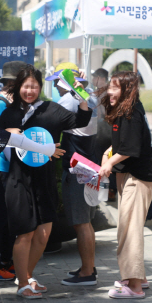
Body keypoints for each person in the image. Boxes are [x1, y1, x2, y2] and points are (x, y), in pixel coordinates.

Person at [0, 65, 92, 299]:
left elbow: (81, 120)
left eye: (34, 86)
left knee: (43, 233)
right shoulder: (10, 112)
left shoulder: (51, 110)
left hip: (45, 179)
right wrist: (7, 133)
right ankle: (22, 285)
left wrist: (82, 97)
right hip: (18, 179)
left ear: (40, 88)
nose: (30, 91)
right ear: (19, 87)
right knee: (25, 233)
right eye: (26, 86)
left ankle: (26, 276)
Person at [98, 71, 152, 299]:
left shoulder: (131, 113)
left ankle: (134, 288)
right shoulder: (126, 111)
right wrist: (108, 157)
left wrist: (109, 162)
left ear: (127, 90)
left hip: (137, 178)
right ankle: (137, 277)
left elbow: (130, 148)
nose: (109, 92)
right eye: (109, 87)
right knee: (127, 228)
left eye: (114, 88)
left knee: (129, 231)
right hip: (130, 176)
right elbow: (122, 145)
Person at [46, 65, 99, 286]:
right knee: (85, 221)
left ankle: (88, 273)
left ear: (66, 80)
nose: (55, 86)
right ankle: (88, 267)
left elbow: (47, 119)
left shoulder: (69, 100)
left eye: (57, 81)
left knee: (81, 222)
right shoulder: (91, 97)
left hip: (77, 167)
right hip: (90, 165)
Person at [0, 61, 27, 281]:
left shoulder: (13, 104)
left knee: (8, 218)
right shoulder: (0, 105)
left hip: (11, 168)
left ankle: (4, 261)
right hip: (1, 169)